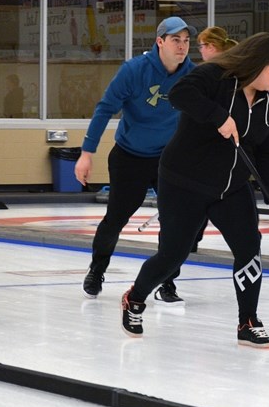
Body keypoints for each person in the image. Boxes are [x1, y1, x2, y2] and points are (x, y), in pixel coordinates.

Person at [120, 32, 269, 348]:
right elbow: (180, 94)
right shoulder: (216, 77)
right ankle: (135, 297)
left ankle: (248, 321)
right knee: (173, 256)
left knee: (249, 246)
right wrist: (218, 117)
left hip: (231, 188)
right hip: (185, 182)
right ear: (259, 64)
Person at [76, 17, 197, 306]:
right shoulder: (134, 70)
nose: (182, 46)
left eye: (186, 41)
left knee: (175, 223)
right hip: (130, 156)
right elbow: (105, 109)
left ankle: (167, 281)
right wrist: (86, 152)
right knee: (116, 217)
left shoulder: (192, 75)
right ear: (160, 42)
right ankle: (97, 268)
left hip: (168, 159)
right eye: (175, 40)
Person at [190, 26, 239, 252]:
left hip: (210, 143)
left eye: (201, 46)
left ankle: (191, 239)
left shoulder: (211, 71)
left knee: (202, 197)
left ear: (210, 47)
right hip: (219, 145)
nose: (200, 51)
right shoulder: (230, 69)